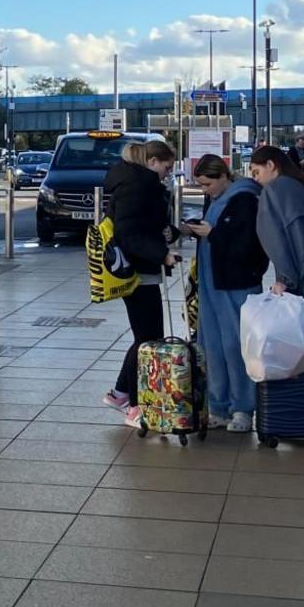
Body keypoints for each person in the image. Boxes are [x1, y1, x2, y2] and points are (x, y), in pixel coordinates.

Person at [184, 154, 267, 432]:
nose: (204, 191)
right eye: (201, 186)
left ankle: (242, 408)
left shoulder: (245, 199)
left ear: (223, 177)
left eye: (207, 184)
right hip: (213, 282)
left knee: (236, 346)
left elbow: (248, 244)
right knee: (212, 346)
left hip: (237, 283)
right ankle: (219, 406)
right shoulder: (219, 198)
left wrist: (212, 234)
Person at [100, 138, 179, 427]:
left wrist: (169, 233)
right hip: (139, 272)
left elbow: (144, 226)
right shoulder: (139, 186)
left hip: (135, 269)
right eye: (166, 167)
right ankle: (134, 405)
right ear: (152, 162)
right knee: (148, 339)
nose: (168, 173)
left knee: (145, 336)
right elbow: (130, 233)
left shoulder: (134, 182)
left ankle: (120, 393)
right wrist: (162, 254)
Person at [248, 144, 304, 318]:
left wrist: (284, 279)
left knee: (298, 339)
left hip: (302, 272)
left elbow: (276, 240)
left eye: (256, 172)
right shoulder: (303, 185)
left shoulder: (274, 191)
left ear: (270, 165)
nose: (256, 180)